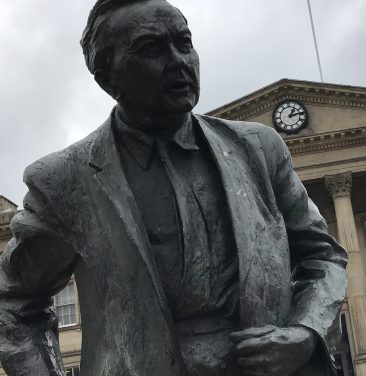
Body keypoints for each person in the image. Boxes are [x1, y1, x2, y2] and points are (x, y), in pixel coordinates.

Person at [0, 0, 347, 375]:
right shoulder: (64, 180)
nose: (179, 61)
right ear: (106, 77)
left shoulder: (258, 149)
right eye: (151, 49)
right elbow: (12, 305)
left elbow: (322, 256)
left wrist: (306, 331)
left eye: (184, 43)